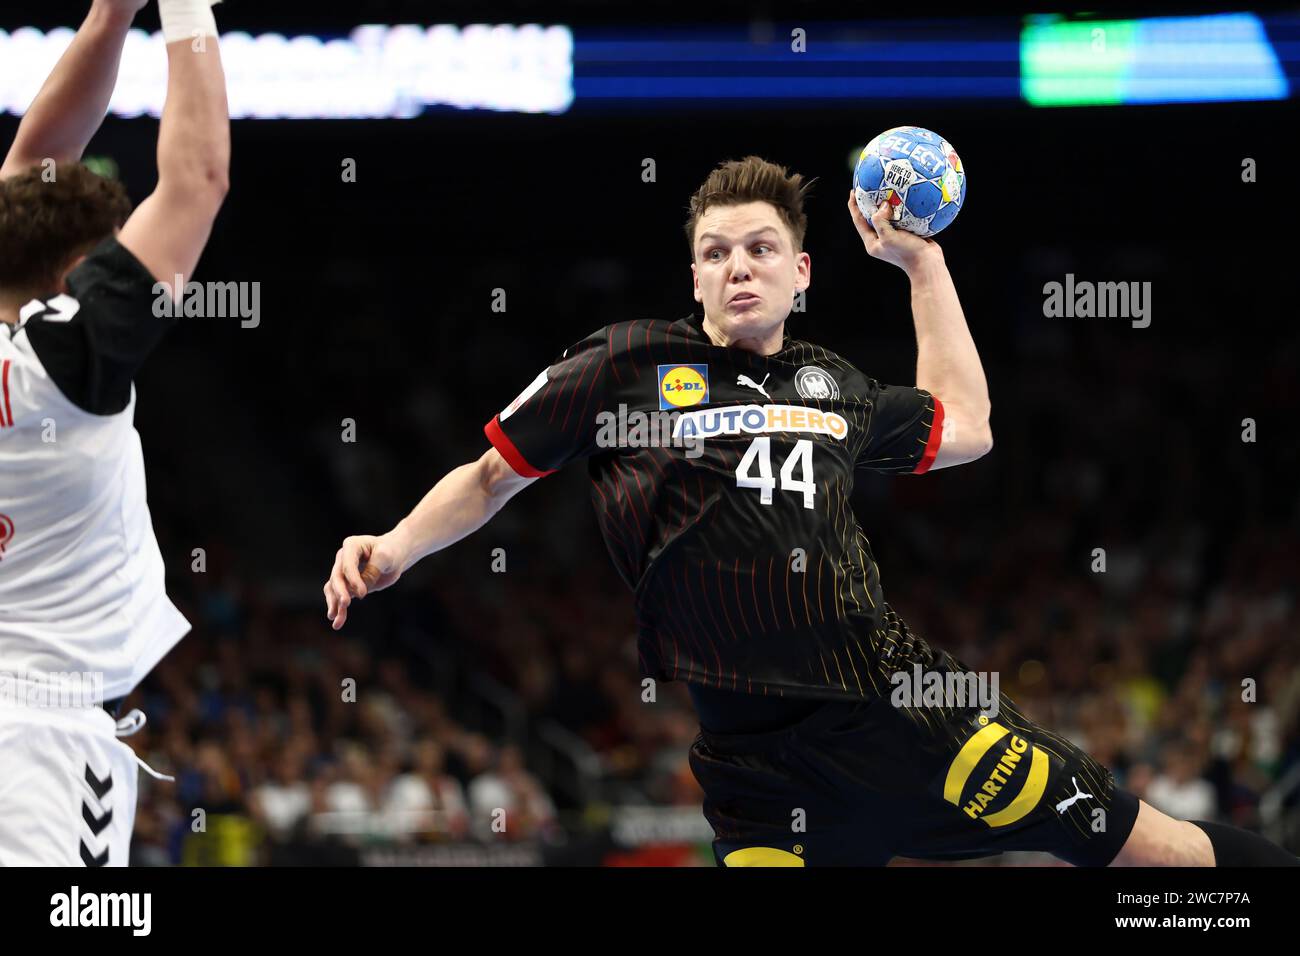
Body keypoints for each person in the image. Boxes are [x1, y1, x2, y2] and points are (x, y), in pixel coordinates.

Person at [324, 155, 1296, 867]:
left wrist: (923, 268)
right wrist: (396, 546)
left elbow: (967, 426)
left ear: (801, 273)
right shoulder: (621, 364)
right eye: (715, 252)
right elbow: (491, 474)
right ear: (693, 275)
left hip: (905, 705)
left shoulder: (834, 381)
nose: (738, 264)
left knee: (1145, 852)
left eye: (762, 247)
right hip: (754, 764)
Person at [0, 0, 230, 865]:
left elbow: (33, 168)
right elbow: (198, 178)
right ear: (72, 275)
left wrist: (109, 16)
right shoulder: (61, 364)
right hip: (41, 740)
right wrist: (184, 8)